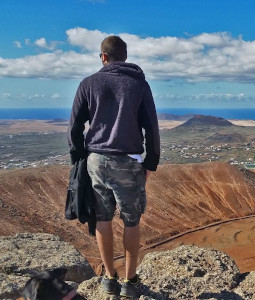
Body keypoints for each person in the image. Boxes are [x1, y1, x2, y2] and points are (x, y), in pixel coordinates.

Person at [67, 35, 160, 298]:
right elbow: (151, 127)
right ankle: (130, 283)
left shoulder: (88, 84)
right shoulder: (139, 84)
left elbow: (74, 126)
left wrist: (79, 160)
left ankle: (109, 278)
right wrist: (150, 162)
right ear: (125, 57)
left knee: (102, 219)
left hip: (96, 160)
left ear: (104, 57)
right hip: (129, 161)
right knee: (131, 222)